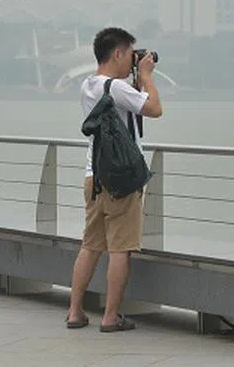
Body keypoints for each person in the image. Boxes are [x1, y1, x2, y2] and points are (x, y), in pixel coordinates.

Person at [66, 26, 162, 331]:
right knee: (120, 248)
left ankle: (75, 312)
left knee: (91, 245)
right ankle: (110, 317)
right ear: (118, 53)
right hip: (121, 179)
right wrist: (146, 76)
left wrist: (134, 79)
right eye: (130, 54)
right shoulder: (118, 88)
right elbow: (155, 110)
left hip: (93, 175)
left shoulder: (87, 86)